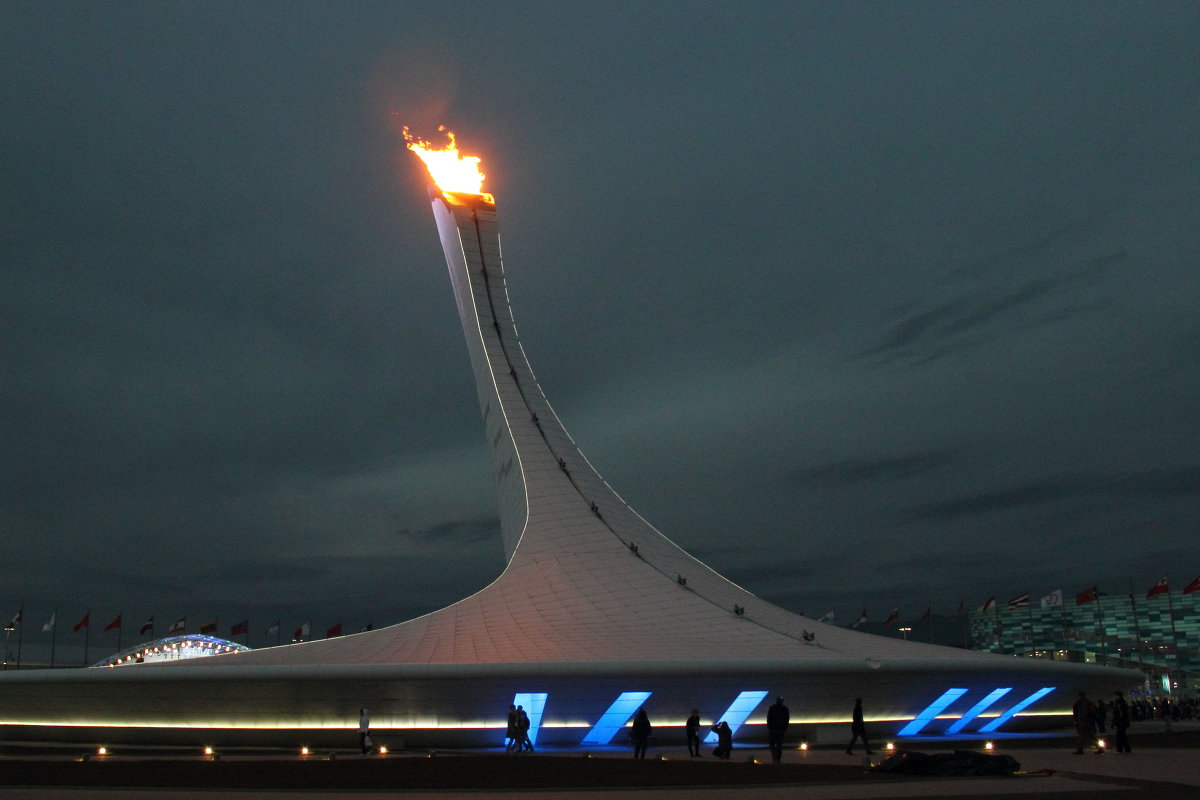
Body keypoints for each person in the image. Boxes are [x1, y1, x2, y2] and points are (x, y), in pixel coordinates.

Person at [766, 696, 789, 763]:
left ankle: (774, 758)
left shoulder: (772, 708)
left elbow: (769, 718)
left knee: (772, 745)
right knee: (779, 745)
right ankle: (778, 759)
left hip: (773, 729)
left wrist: (769, 727)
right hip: (780, 730)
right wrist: (784, 728)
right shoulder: (785, 709)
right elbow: (786, 719)